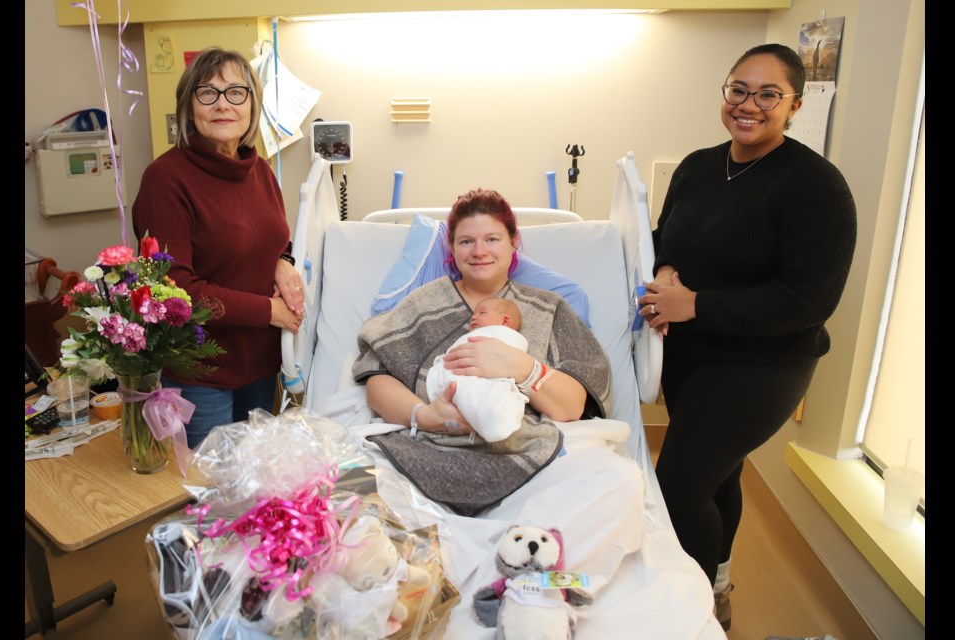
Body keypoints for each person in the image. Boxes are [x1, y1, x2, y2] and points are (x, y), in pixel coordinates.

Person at [637, 43, 857, 631]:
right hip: (693, 358)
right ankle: (720, 579)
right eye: (739, 89)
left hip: (764, 366)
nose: (749, 105)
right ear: (725, 92)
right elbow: (664, 237)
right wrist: (662, 274)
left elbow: (809, 300)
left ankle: (694, 616)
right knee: (719, 475)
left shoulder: (817, 188)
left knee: (679, 488)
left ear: (794, 105)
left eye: (768, 95)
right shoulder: (699, 166)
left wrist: (695, 304)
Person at [352, 188, 613, 517]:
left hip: (522, 455)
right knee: (344, 482)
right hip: (425, 451)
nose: (479, 252)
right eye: (466, 241)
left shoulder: (548, 308)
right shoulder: (423, 304)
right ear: (452, 248)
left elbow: (573, 405)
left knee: (619, 482)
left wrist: (522, 367)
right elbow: (378, 381)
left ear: (513, 241)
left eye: (492, 239)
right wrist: (426, 417)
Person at [132, 47, 305, 450]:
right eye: (207, 93)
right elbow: (174, 293)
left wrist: (283, 261)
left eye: (236, 93)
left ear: (252, 105)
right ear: (188, 107)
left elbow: (275, 238)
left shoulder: (259, 169)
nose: (223, 104)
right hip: (201, 374)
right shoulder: (166, 180)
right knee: (211, 493)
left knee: (254, 483)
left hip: (262, 365)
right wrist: (268, 311)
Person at [426, 297, 531, 443]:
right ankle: (485, 416)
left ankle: (492, 417)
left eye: (482, 313)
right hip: (460, 375)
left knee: (487, 392)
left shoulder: (503, 336)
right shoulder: (468, 338)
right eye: (474, 314)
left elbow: (510, 359)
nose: (474, 317)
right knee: (464, 387)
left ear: (505, 322)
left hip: (489, 377)